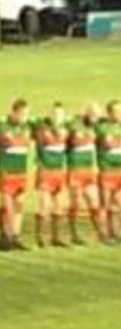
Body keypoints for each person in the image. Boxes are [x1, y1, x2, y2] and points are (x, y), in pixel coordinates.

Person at [0, 99, 33, 251]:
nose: (25, 116)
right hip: (6, 172)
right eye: (22, 113)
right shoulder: (2, 127)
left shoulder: (27, 127)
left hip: (21, 172)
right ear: (14, 112)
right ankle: (4, 236)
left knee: (19, 205)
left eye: (26, 114)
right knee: (7, 206)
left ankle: (15, 236)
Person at [67, 105, 107, 245]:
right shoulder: (75, 125)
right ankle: (74, 234)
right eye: (92, 115)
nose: (94, 118)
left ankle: (101, 234)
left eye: (96, 115)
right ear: (86, 113)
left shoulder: (96, 127)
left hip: (89, 172)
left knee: (95, 204)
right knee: (76, 204)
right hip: (75, 171)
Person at [33, 103, 70, 248]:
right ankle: (41, 238)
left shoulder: (65, 129)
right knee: (45, 205)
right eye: (54, 113)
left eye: (60, 114)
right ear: (49, 114)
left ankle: (57, 237)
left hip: (59, 171)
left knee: (59, 205)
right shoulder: (42, 129)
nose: (57, 116)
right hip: (45, 171)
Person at [96, 100, 121, 242]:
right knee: (105, 203)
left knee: (118, 203)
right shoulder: (103, 127)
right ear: (110, 113)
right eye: (117, 111)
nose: (120, 114)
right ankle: (104, 234)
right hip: (107, 170)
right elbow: (108, 143)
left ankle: (116, 232)